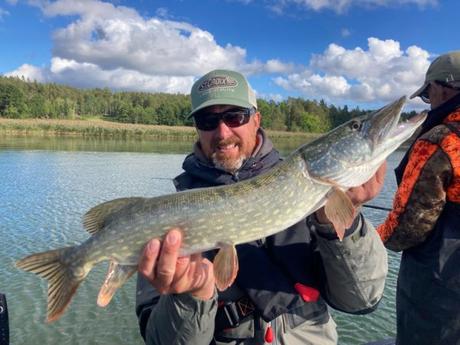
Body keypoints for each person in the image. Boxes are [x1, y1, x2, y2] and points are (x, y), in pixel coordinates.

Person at [135, 69, 388, 345]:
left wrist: (343, 226)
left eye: (235, 116)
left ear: (256, 119)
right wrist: (189, 297)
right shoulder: (166, 219)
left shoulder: (307, 190)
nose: (222, 132)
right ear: (197, 128)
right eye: (208, 120)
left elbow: (361, 300)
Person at [377, 51, 460, 344]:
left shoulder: (440, 140)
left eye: (428, 94)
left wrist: (365, 238)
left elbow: (407, 228)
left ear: (444, 88)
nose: (429, 101)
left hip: (439, 290)